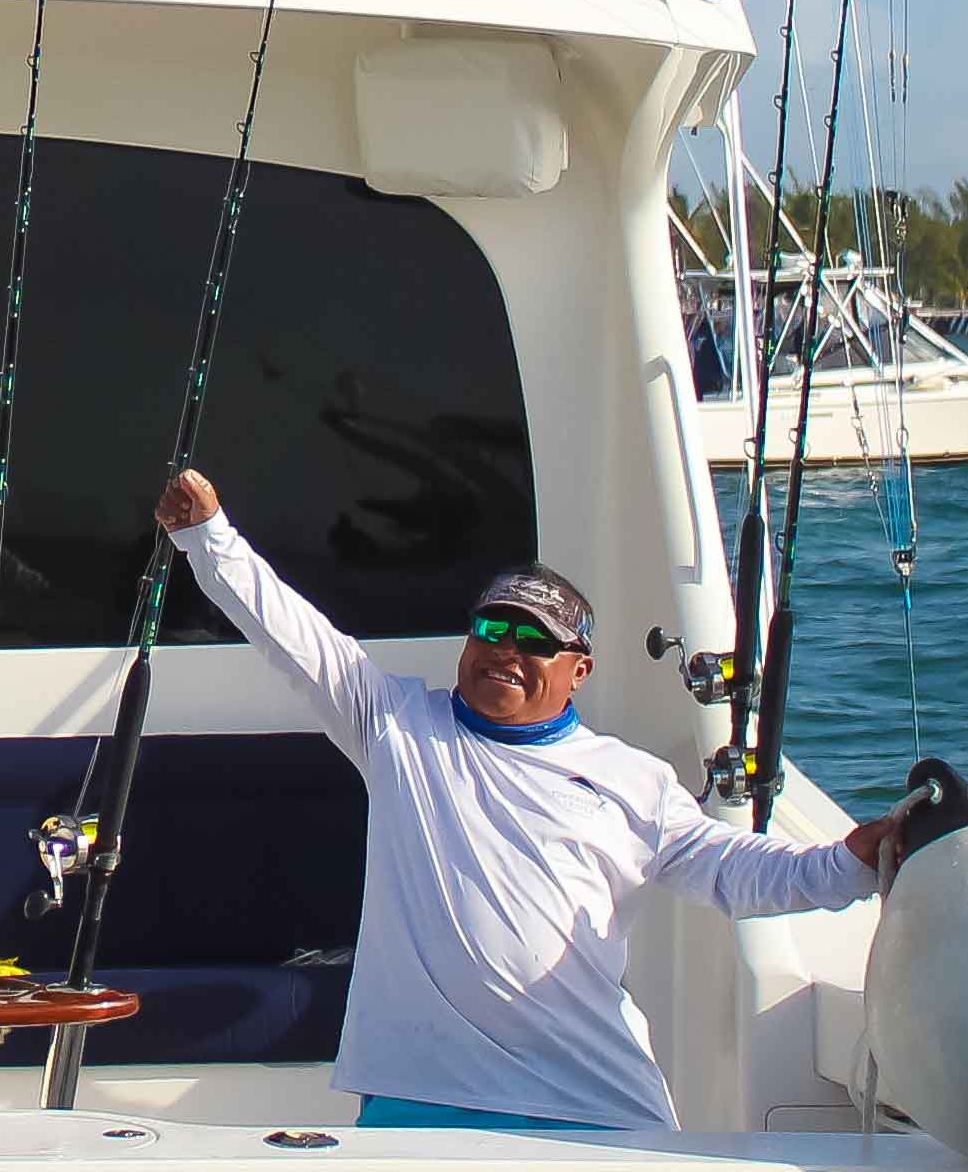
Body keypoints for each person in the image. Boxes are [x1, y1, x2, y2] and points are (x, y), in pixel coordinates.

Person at [149, 468, 899, 1133]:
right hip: (418, 1096)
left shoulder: (633, 779)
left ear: (580, 670)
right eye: (493, 628)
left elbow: (739, 872)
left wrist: (853, 862)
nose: (507, 649)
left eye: (535, 640)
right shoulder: (396, 725)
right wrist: (208, 537)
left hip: (592, 1101)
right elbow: (289, 632)